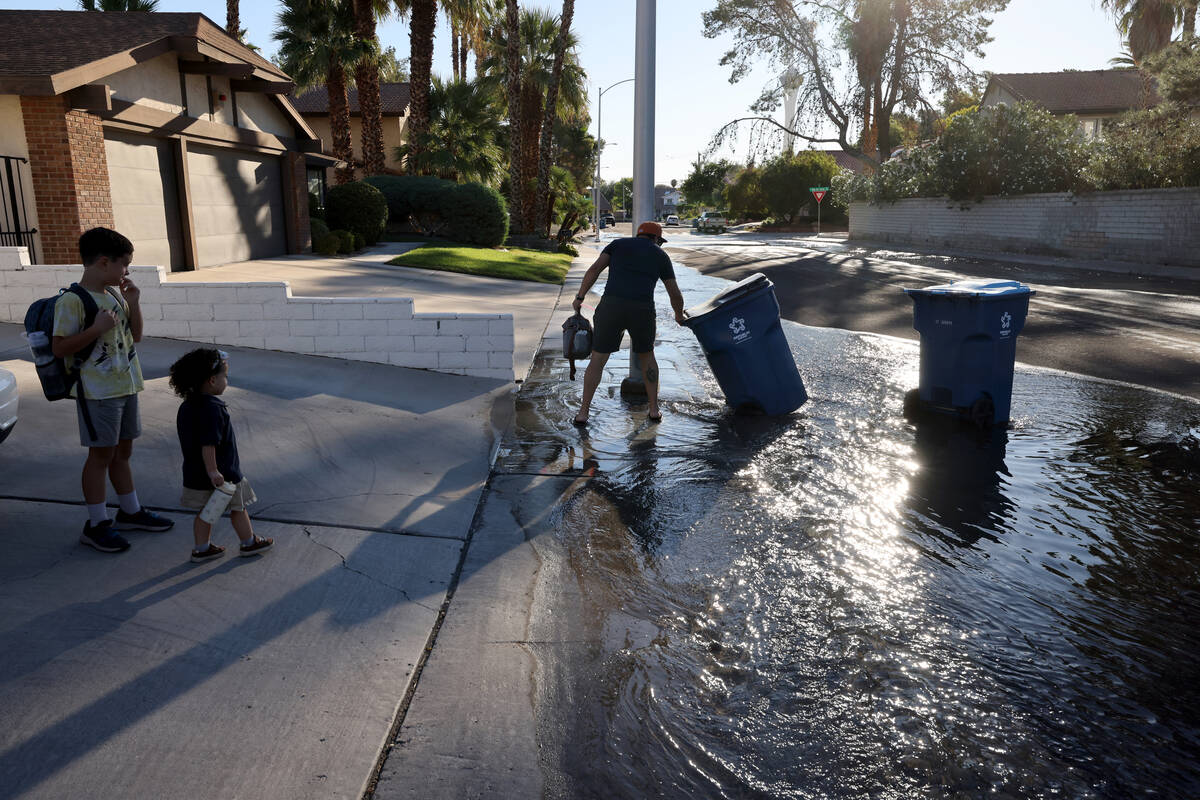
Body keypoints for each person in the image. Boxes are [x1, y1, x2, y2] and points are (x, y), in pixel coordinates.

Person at [52, 227, 174, 553]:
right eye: (124, 264)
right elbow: (60, 348)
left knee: (123, 453)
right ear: (104, 262)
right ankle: (96, 524)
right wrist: (95, 329)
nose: (127, 271)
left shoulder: (115, 294)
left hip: (126, 385)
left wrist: (134, 302)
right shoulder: (72, 300)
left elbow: (135, 336)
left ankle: (130, 511)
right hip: (97, 392)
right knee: (101, 456)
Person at [572, 221, 686, 425]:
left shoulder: (617, 245)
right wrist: (679, 315)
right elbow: (674, 292)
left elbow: (595, 269)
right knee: (647, 357)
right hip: (642, 310)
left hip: (611, 307)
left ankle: (583, 412)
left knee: (598, 358)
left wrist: (580, 297)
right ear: (656, 239)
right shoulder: (660, 255)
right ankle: (653, 409)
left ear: (638, 235)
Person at [168, 348, 273, 563]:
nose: (227, 379)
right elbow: (209, 444)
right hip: (223, 477)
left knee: (207, 513)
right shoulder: (213, 409)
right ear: (212, 381)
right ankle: (249, 542)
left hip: (195, 474)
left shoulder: (187, 406)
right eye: (224, 376)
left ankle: (201, 548)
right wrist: (214, 471)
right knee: (238, 508)